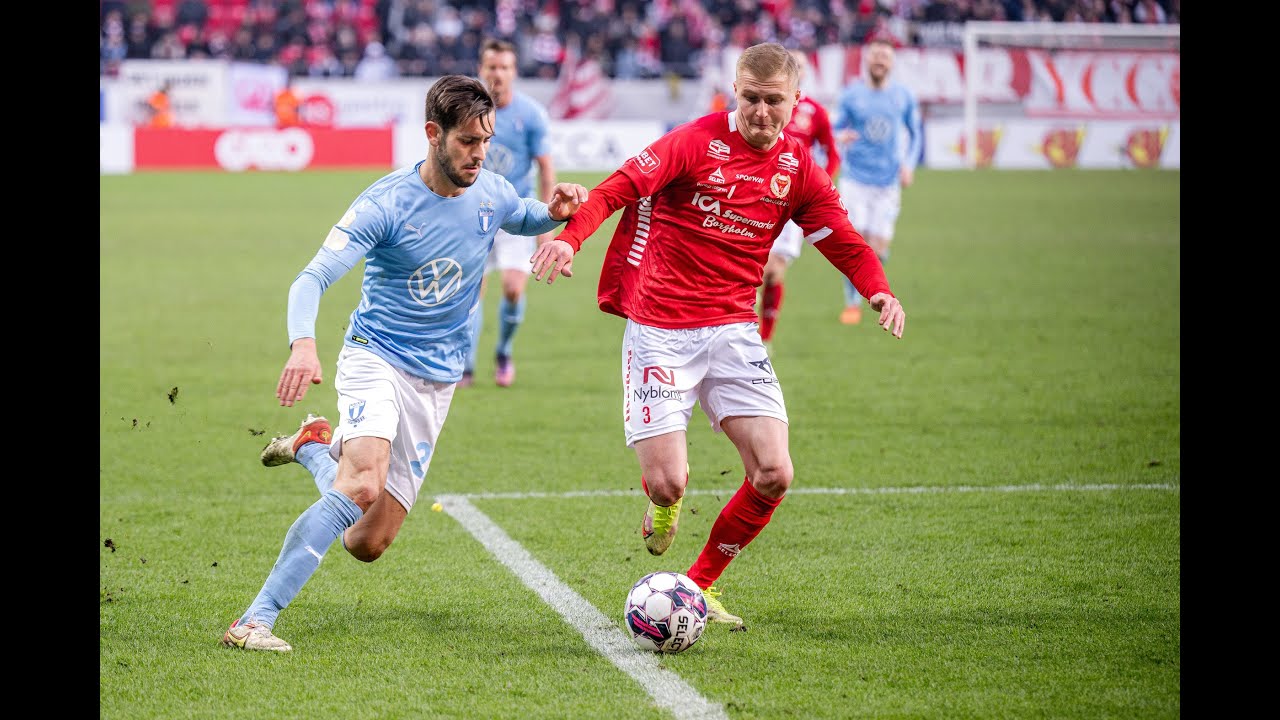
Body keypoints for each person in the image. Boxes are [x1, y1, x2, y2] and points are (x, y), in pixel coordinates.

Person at [529, 42, 905, 628]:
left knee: (775, 473)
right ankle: (667, 504)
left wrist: (876, 286)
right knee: (667, 480)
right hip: (659, 329)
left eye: (773, 102)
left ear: (796, 101)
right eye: (750, 98)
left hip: (732, 331)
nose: (760, 112)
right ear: (735, 92)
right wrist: (567, 238)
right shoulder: (692, 142)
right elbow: (614, 190)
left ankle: (697, 585)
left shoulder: (797, 168)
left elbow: (842, 237)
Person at [221, 75, 588, 652]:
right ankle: (254, 619)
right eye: (468, 140)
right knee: (363, 481)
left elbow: (522, 216)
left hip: (436, 380)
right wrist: (302, 343)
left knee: (366, 542)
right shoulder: (386, 203)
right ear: (432, 134)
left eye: (486, 139)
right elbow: (311, 278)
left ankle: (314, 446)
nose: (480, 152)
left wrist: (554, 211)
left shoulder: (490, 190)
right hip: (376, 358)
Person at [460, 38, 557, 388]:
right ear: (481, 70)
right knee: (471, 294)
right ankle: (466, 366)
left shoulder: (530, 114)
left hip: (516, 213)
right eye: (491, 67)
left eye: (504, 67)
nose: (497, 74)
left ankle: (503, 351)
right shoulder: (467, 112)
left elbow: (546, 169)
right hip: (473, 214)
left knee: (514, 289)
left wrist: (547, 224)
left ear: (513, 72)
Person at [831, 38, 922, 325]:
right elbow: (832, 130)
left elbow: (916, 133)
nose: (880, 61)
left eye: (885, 57)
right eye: (875, 56)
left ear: (892, 63)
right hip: (855, 180)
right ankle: (852, 304)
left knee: (878, 249)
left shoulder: (903, 96)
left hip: (887, 182)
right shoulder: (851, 95)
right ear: (866, 60)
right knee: (855, 245)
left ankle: (873, 290)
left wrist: (908, 164)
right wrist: (839, 139)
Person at [757, 49, 841, 345]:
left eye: (801, 66)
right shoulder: (763, 105)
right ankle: (738, 332)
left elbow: (832, 153)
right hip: (755, 195)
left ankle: (763, 338)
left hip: (793, 201)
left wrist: (820, 186)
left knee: (773, 269)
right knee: (752, 267)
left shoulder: (815, 112)